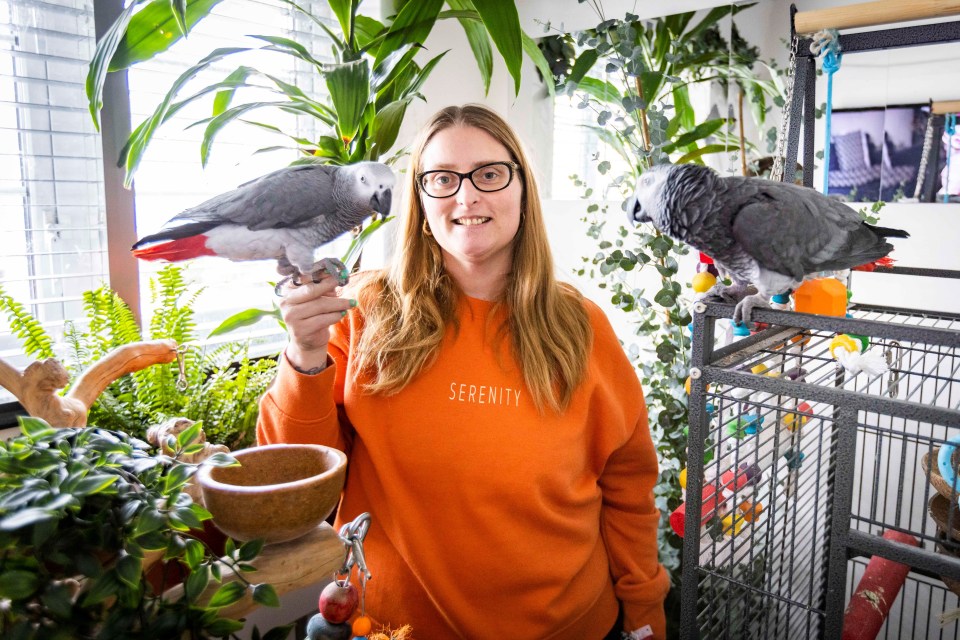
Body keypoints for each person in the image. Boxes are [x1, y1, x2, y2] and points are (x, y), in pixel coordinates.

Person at [257, 104, 669, 639]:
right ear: (420, 201)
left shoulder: (582, 326)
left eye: (490, 174)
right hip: (392, 627)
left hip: (570, 625)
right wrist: (305, 353)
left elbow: (628, 487)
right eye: (442, 179)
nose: (467, 196)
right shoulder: (363, 310)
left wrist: (644, 613)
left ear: (522, 189)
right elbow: (294, 480)